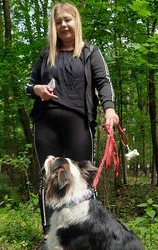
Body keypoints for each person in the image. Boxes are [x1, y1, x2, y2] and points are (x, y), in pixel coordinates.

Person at [25, 2, 119, 249]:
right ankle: (51, 237)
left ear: (76, 21)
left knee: (82, 180)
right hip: (45, 123)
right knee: (48, 179)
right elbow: (28, 85)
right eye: (58, 21)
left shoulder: (90, 52)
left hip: (79, 122)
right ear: (53, 27)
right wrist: (37, 89)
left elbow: (104, 82)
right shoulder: (45, 55)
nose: (64, 24)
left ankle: (85, 232)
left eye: (68, 19)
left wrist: (109, 108)